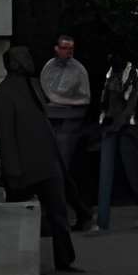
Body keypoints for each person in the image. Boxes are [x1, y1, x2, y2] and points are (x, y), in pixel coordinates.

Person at [0, 43, 78, 273]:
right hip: (24, 167)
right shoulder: (3, 94)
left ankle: (64, 259)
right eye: (25, 57)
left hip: (47, 162)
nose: (30, 60)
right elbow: (5, 136)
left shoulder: (33, 85)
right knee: (18, 221)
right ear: (14, 63)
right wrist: (12, 171)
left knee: (59, 213)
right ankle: (15, 265)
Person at [96, 44, 138, 233]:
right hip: (118, 126)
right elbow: (107, 99)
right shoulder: (116, 72)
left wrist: (110, 124)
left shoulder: (132, 74)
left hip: (130, 128)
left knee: (131, 172)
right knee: (113, 172)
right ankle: (104, 220)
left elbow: (131, 104)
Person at [39, 32, 93, 230]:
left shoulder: (79, 70)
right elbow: (47, 91)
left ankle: (69, 214)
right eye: (64, 48)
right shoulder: (48, 68)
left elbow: (85, 99)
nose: (68, 53)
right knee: (53, 169)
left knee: (60, 170)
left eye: (71, 49)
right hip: (51, 120)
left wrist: (63, 102)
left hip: (70, 124)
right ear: (56, 49)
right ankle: (76, 212)